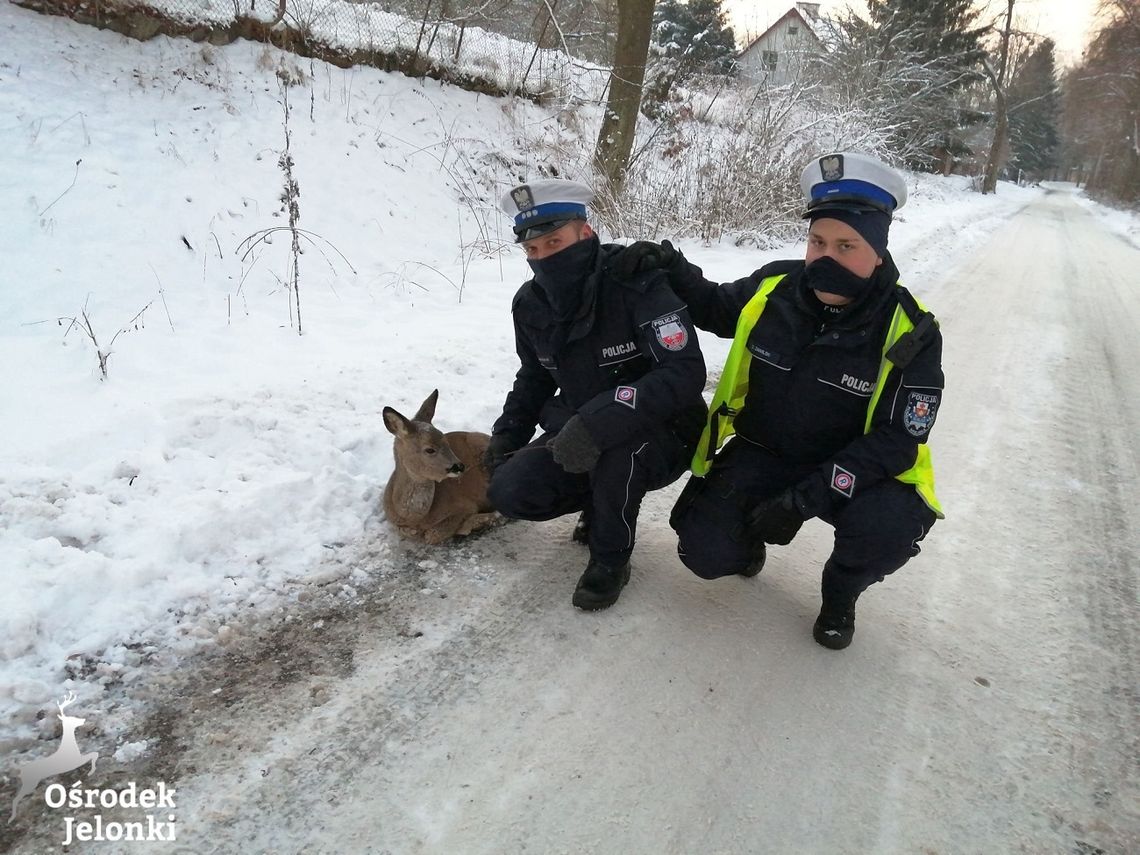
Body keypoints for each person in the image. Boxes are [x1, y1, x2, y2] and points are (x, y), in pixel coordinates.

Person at [613, 151, 944, 649]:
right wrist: (670, 266)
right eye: (818, 242)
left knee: (888, 528)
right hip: (764, 452)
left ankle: (841, 595)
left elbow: (898, 441)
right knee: (703, 553)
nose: (826, 257)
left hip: (855, 469)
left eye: (846, 245)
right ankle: (746, 549)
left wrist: (805, 500)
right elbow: (716, 307)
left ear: (877, 250)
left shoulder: (911, 330)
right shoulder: (776, 287)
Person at [484, 178, 707, 611]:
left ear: (585, 233)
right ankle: (600, 501)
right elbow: (534, 375)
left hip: (666, 427)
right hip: (580, 424)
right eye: (533, 250)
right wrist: (507, 434)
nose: (544, 256)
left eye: (555, 242)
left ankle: (611, 558)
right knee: (511, 490)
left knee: (617, 454)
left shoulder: (636, 283)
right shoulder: (530, 305)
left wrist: (597, 422)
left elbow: (685, 372)